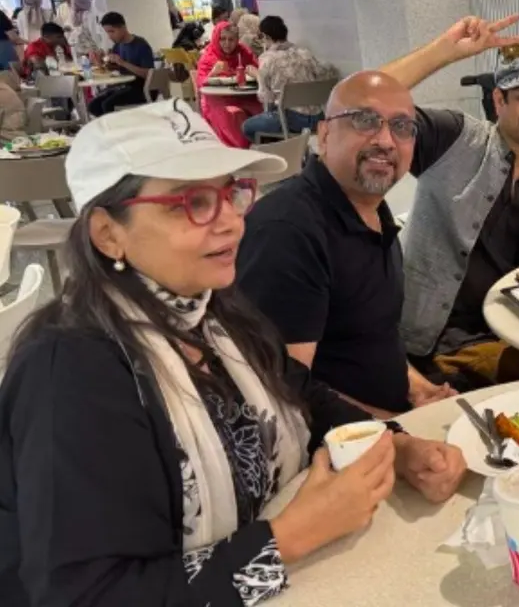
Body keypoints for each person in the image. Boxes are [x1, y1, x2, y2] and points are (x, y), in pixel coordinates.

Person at [0, 101, 466, 605]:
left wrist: (393, 446)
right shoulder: (72, 373)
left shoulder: (213, 311)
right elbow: (85, 594)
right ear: (108, 233)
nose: (230, 223)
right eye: (191, 202)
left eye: (231, 193)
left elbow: (300, 391)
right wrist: (287, 538)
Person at [378, 16, 519, 390]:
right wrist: (443, 51)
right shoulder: (452, 138)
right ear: (497, 100)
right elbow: (369, 103)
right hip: (427, 344)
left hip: (513, 337)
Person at [238, 72, 459, 416]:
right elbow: (283, 389)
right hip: (340, 448)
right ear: (324, 134)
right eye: (366, 121)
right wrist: (397, 431)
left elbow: (370, 337)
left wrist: (419, 391)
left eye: (402, 127)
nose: (385, 140)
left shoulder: (374, 212)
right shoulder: (287, 232)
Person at [241, 16, 340, 142]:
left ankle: (279, 153)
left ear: (266, 37)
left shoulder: (267, 59)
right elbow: (327, 73)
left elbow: (266, 98)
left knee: (248, 127)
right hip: (318, 117)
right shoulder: (304, 53)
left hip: (290, 121)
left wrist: (258, 76)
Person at [196, 21, 261, 145]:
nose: (227, 43)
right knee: (232, 114)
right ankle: (240, 149)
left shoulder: (243, 52)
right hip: (216, 99)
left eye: (231, 39)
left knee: (262, 109)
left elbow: (256, 69)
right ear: (216, 38)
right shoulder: (209, 56)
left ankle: (262, 148)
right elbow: (200, 82)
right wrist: (213, 73)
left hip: (245, 95)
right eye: (222, 39)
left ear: (237, 40)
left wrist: (253, 72)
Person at [89, 12, 156, 116]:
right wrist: (100, 62)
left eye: (112, 31)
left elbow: (149, 74)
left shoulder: (140, 45)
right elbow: (114, 68)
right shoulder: (118, 45)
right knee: (93, 105)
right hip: (124, 86)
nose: (110, 36)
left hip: (142, 88)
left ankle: (118, 129)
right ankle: (109, 129)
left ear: (123, 27)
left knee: (107, 105)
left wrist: (123, 62)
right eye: (107, 32)